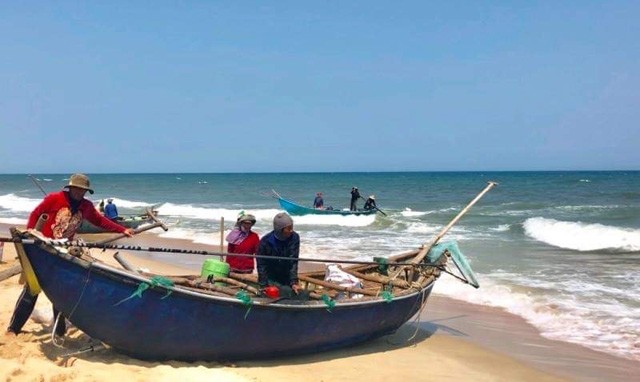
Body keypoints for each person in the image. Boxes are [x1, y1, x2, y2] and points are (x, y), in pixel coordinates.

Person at [6, 173, 134, 336]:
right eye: (77, 189)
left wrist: (122, 229)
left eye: (83, 190)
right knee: (32, 288)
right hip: (42, 248)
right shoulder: (54, 199)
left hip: (63, 251)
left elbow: (100, 221)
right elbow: (36, 214)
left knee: (60, 290)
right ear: (71, 187)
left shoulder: (86, 206)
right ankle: (13, 329)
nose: (80, 193)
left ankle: (59, 331)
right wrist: (30, 238)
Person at [256, 212, 301, 296]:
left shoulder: (294, 237)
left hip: (286, 274)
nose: (291, 231)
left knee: (292, 294)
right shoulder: (265, 241)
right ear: (279, 229)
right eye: (288, 229)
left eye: (292, 228)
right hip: (270, 276)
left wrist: (294, 282)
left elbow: (293, 261)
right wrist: (264, 285)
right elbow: (261, 264)